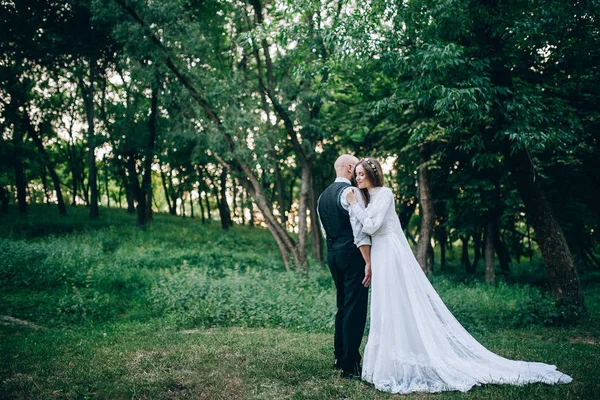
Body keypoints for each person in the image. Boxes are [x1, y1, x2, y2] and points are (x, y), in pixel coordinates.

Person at [345, 157, 573, 394]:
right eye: (357, 174)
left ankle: (407, 357)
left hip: (390, 253)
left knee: (396, 301)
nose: (358, 178)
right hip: (380, 254)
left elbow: (371, 226)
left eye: (362, 174)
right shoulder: (369, 197)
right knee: (384, 304)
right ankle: (388, 361)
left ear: (373, 174)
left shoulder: (385, 193)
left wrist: (354, 205)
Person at [317, 154, 372, 378]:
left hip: (333, 254)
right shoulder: (351, 193)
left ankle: (340, 357)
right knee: (355, 307)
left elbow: (324, 229)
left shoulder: (322, 197)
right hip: (353, 254)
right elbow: (359, 230)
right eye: (356, 167)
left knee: (342, 305)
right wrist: (368, 260)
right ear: (350, 167)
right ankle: (350, 363)